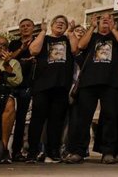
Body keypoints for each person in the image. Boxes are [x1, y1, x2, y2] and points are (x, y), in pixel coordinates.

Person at [63, 13, 118, 164]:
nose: (106, 20)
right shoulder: (92, 36)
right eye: (102, 18)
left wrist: (113, 29)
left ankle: (108, 152)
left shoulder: (115, 36)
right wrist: (92, 27)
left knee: (110, 117)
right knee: (83, 118)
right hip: (89, 82)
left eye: (109, 18)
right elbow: (80, 45)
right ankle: (78, 151)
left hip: (111, 83)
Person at [25, 16, 78, 163]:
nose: (60, 25)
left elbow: (75, 49)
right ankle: (32, 152)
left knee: (56, 121)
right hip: (42, 86)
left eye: (63, 23)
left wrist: (71, 32)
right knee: (37, 120)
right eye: (57, 22)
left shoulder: (68, 40)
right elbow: (33, 50)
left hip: (61, 86)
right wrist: (42, 32)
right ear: (52, 25)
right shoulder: (45, 39)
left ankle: (53, 152)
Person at [7, 18, 37, 161]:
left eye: (28, 26)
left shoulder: (38, 41)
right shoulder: (14, 43)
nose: (25, 28)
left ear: (33, 28)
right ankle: (8, 149)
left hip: (28, 84)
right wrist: (22, 50)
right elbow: (8, 59)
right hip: (14, 84)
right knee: (10, 118)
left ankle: (21, 151)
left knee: (23, 120)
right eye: (22, 26)